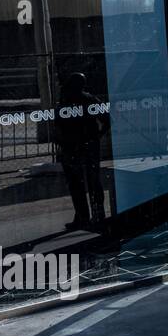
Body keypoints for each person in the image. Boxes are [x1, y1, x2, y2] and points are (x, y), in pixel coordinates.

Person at [56, 72, 107, 230]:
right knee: (92, 182)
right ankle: (97, 214)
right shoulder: (89, 99)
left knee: (77, 184)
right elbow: (107, 120)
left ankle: (83, 216)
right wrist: (96, 136)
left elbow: (59, 125)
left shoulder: (67, 101)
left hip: (73, 147)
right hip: (86, 146)